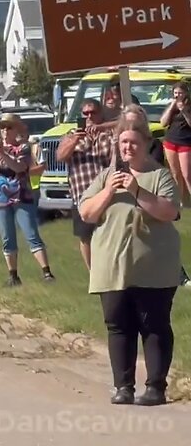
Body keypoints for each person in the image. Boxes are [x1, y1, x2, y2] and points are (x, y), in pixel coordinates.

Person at [78, 121, 182, 406]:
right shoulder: (107, 177)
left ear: (147, 143)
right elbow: (86, 213)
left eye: (133, 142)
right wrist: (109, 192)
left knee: (154, 326)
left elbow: (169, 211)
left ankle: (155, 388)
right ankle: (123, 387)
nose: (127, 147)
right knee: (118, 326)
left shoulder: (159, 176)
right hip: (113, 268)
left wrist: (137, 191)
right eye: (123, 142)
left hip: (153, 268)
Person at [0, 113, 54, 286]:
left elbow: (20, 167)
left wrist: (4, 154)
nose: (5, 131)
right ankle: (13, 275)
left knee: (31, 233)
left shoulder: (23, 148)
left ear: (16, 129)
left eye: (9, 127)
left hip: (21, 196)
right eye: (2, 128)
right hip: (0, 198)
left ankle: (47, 273)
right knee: (7, 237)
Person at [58, 97, 113, 270]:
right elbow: (60, 157)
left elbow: (128, 122)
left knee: (109, 233)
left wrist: (101, 128)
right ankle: (93, 274)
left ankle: (110, 269)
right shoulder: (70, 135)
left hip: (107, 193)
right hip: (82, 194)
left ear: (101, 113)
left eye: (93, 112)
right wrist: (74, 141)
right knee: (85, 236)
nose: (89, 116)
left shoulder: (110, 133)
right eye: (85, 113)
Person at [159, 79, 191, 201]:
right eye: (176, 93)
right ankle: (180, 200)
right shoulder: (171, 106)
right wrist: (172, 106)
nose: (178, 95)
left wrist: (184, 111)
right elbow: (163, 123)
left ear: (186, 93)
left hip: (186, 143)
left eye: (180, 93)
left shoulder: (189, 105)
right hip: (171, 142)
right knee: (175, 173)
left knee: (187, 175)